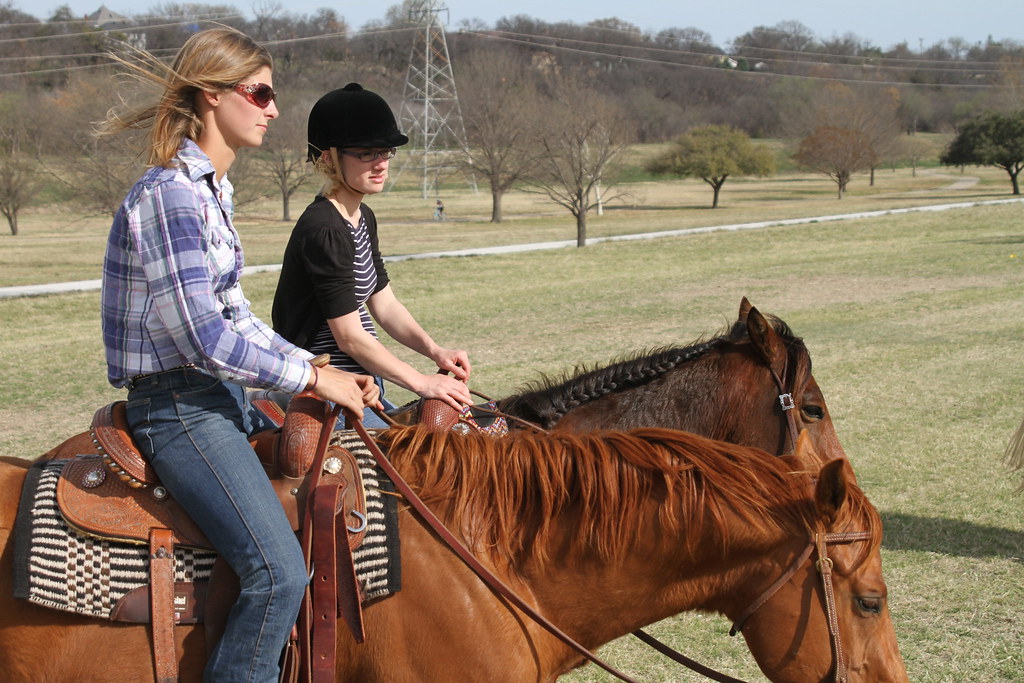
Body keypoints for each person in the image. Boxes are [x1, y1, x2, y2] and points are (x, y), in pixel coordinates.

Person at [98, 29, 379, 683]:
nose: (273, 109)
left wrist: (324, 370)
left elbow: (239, 316)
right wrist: (312, 377)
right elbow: (206, 338)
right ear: (211, 94)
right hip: (178, 408)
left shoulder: (211, 192)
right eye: (259, 93)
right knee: (277, 572)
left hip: (218, 398)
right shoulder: (171, 195)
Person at [273, 83, 472, 428]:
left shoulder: (362, 217)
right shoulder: (324, 227)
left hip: (364, 384)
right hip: (323, 391)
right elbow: (349, 337)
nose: (381, 164)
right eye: (366, 153)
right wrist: (421, 382)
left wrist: (434, 350)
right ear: (328, 157)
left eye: (385, 151)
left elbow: (385, 304)